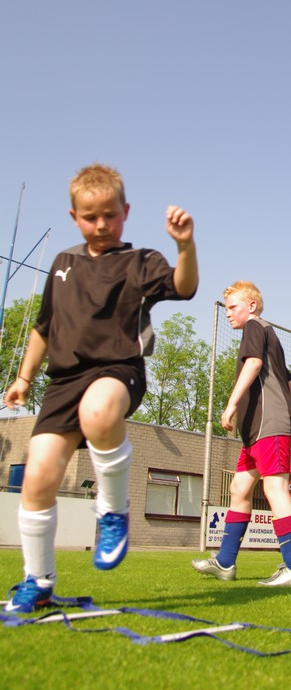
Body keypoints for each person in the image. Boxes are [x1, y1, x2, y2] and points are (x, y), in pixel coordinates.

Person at [3, 163, 198, 613]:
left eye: (110, 215)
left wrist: (185, 246)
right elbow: (43, 328)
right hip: (63, 382)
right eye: (91, 217)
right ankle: (38, 580)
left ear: (125, 212)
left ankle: (112, 510)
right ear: (74, 217)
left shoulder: (140, 261)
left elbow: (183, 287)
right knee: (38, 476)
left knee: (98, 412)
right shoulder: (63, 264)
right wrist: (24, 378)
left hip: (118, 369)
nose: (102, 224)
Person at [192, 280, 291, 587]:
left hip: (268, 426)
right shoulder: (269, 335)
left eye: (233, 307)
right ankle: (225, 562)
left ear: (252, 306)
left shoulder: (255, 327)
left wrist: (231, 404)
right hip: (258, 431)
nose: (228, 313)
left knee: (275, 489)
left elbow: (254, 363)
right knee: (239, 488)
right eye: (226, 308)